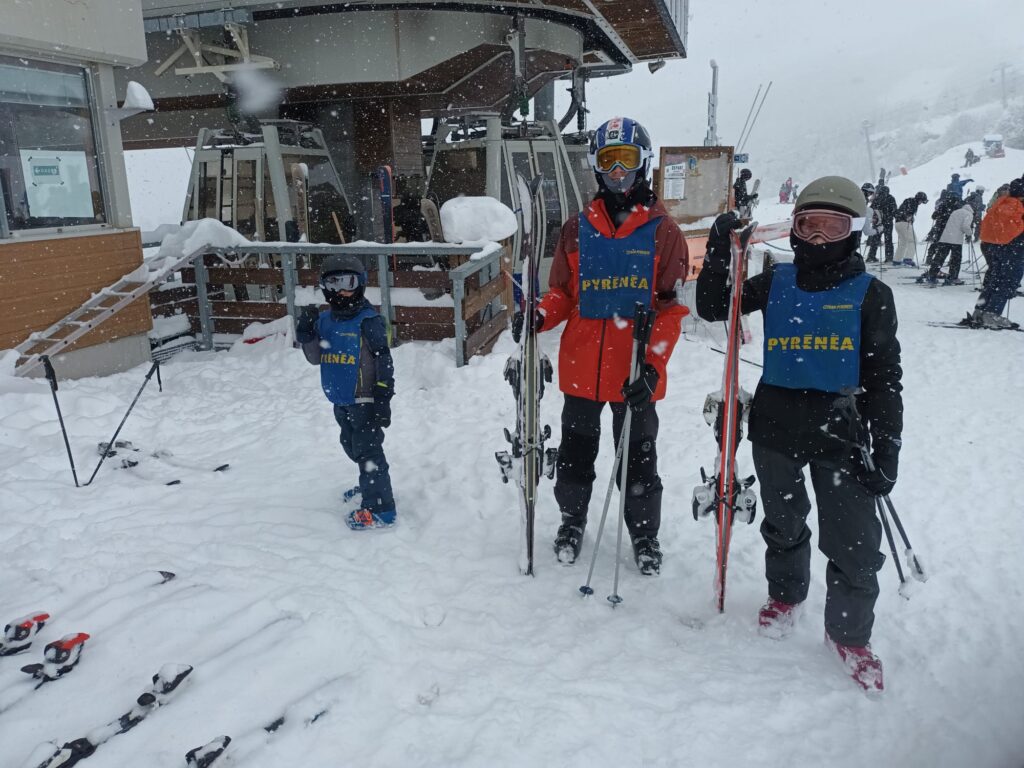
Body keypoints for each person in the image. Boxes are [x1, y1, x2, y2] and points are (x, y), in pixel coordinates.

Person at [696, 176, 903, 694]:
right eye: (809, 225)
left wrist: (888, 446)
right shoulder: (776, 281)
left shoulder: (871, 295)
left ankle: (849, 635)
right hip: (777, 426)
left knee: (853, 542)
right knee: (784, 523)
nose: (817, 238)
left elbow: (885, 380)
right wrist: (719, 251)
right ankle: (786, 594)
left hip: (842, 431)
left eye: (832, 227)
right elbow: (714, 305)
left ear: (854, 231)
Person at [531, 116, 689, 575]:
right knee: (576, 453)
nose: (618, 171)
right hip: (582, 365)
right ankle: (572, 520)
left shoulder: (663, 232)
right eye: (608, 160)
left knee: (638, 460)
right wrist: (541, 314)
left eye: (627, 160)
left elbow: (671, 308)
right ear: (596, 166)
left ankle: (644, 534)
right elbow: (563, 292)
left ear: (644, 163)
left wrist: (653, 365)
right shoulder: (576, 229)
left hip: (634, 371)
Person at [295, 255, 397, 529]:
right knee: (351, 446)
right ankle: (370, 484)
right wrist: (307, 334)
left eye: (348, 283)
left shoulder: (368, 321)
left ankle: (381, 508)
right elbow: (315, 358)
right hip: (341, 400)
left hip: (365, 400)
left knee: (368, 452)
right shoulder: (325, 321)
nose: (341, 291)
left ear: (360, 284)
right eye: (333, 283)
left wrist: (383, 397)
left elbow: (384, 360)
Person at [969, 178, 1024, 329]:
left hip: (996, 245)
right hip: (1015, 248)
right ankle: (992, 314)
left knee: (994, 279)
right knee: (1008, 281)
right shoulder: (1020, 205)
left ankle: (979, 311)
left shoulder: (1004, 201)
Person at [924, 199, 973, 285]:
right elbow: (965, 226)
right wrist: (969, 233)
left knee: (940, 257)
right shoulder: (969, 214)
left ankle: (932, 276)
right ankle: (953, 277)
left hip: (945, 237)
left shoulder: (955, 212)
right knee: (955, 259)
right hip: (956, 240)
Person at [893, 191, 928, 266]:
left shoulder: (908, 201)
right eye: (922, 201)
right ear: (919, 199)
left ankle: (897, 260)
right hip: (904, 223)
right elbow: (908, 212)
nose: (921, 203)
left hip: (897, 223)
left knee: (903, 242)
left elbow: (901, 211)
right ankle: (908, 259)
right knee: (913, 241)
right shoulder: (913, 202)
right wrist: (909, 217)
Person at [865, 184, 896, 263]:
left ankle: (871, 256)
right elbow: (894, 210)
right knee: (888, 240)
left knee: (875, 239)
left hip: (878, 222)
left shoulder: (876, 199)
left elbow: (871, 209)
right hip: (888, 222)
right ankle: (889, 257)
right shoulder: (890, 198)